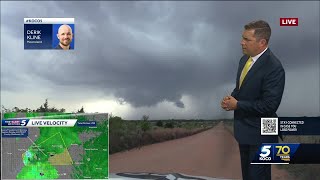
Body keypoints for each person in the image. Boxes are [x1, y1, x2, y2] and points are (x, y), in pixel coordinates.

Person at [220, 20, 285, 180]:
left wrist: (238, 105)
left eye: (247, 39)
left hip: (263, 134)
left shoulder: (274, 67)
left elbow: (269, 105)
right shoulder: (244, 60)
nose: (241, 42)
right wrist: (231, 99)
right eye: (242, 38)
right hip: (245, 131)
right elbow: (241, 89)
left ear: (262, 42)